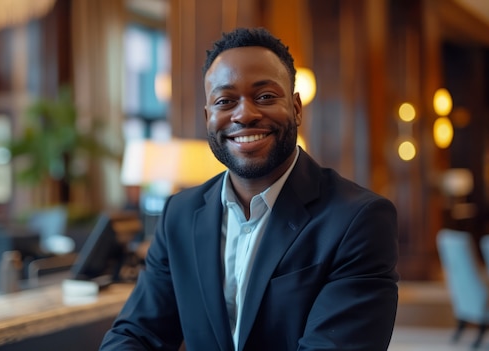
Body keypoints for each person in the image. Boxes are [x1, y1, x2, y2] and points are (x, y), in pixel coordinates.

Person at [100, 27, 399, 351]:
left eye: (265, 96)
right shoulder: (180, 215)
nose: (244, 114)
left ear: (296, 108)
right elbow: (135, 334)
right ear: (208, 116)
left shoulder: (359, 219)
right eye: (225, 101)